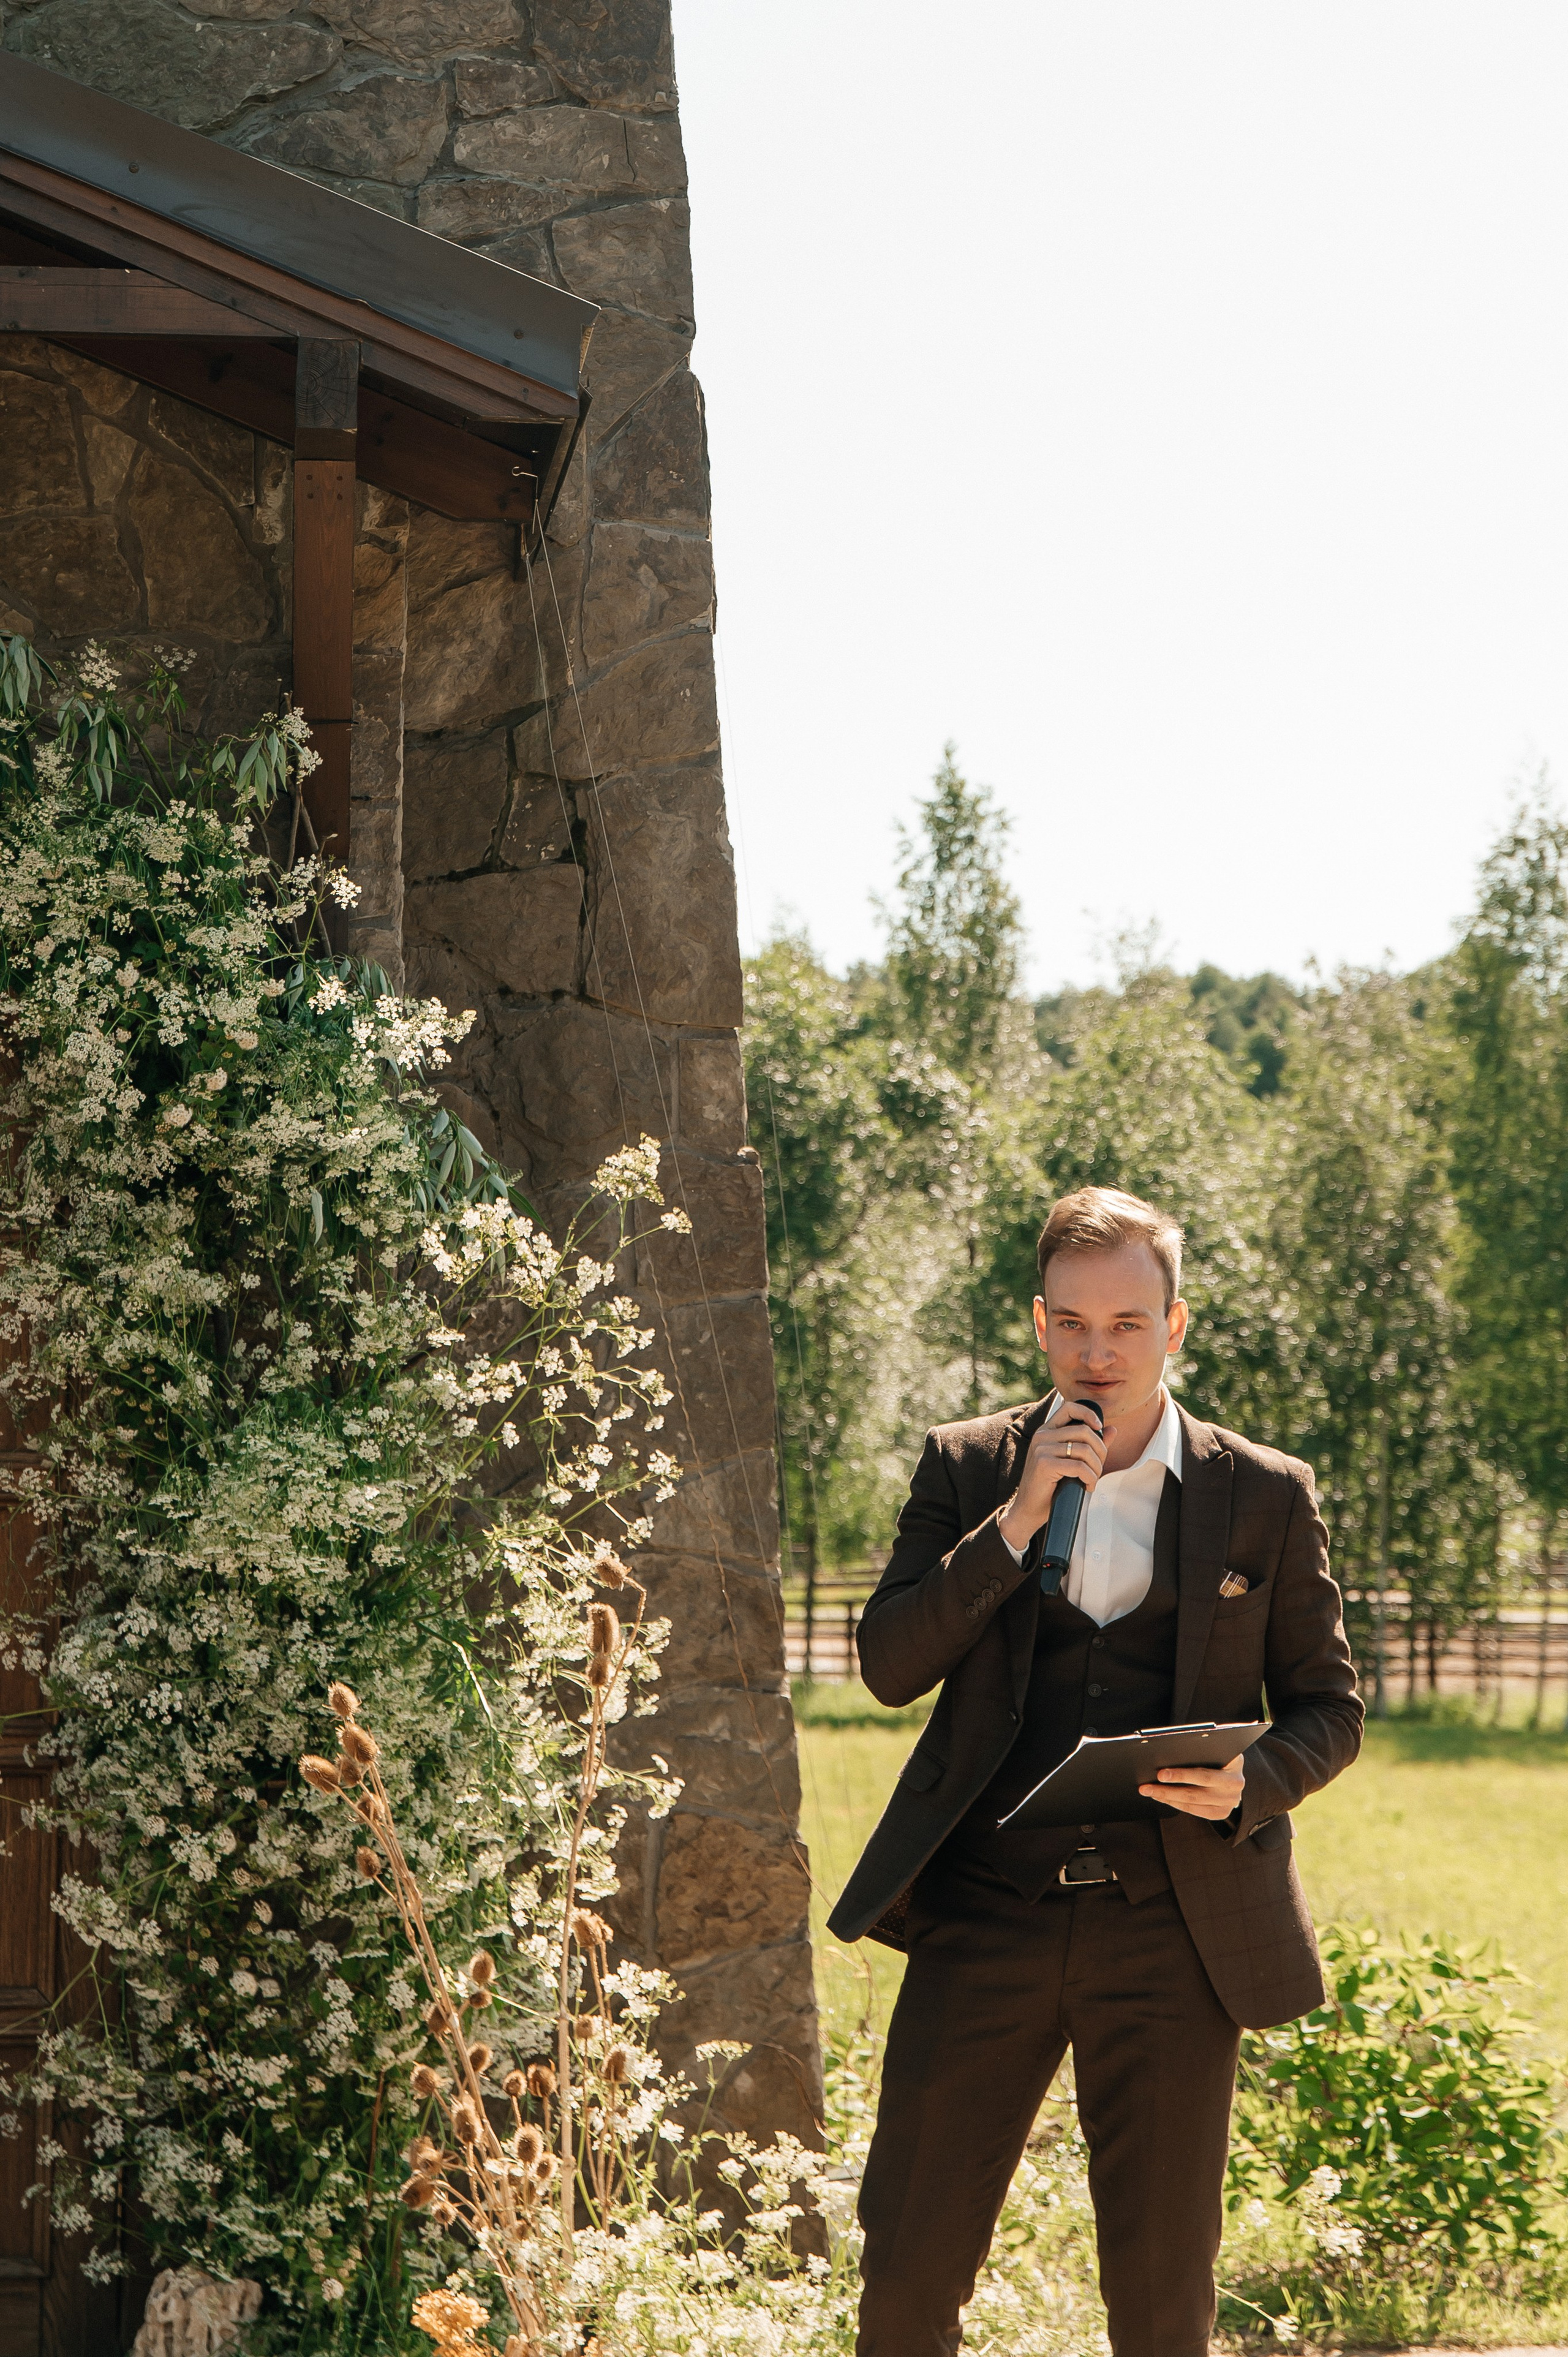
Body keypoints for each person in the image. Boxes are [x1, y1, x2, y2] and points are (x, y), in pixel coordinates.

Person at [827, 1185, 1363, 2357]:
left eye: (1126, 1324)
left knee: (1163, 2295)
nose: (1097, 1350)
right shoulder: (968, 1469)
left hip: (1176, 1925)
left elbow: (1330, 1708)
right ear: (1038, 1324)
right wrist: (1016, 1525)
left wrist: (1255, 1780)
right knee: (909, 2270)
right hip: (984, 1915)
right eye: (1072, 1323)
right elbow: (886, 1666)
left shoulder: (1266, 1494)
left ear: (1175, 1327)